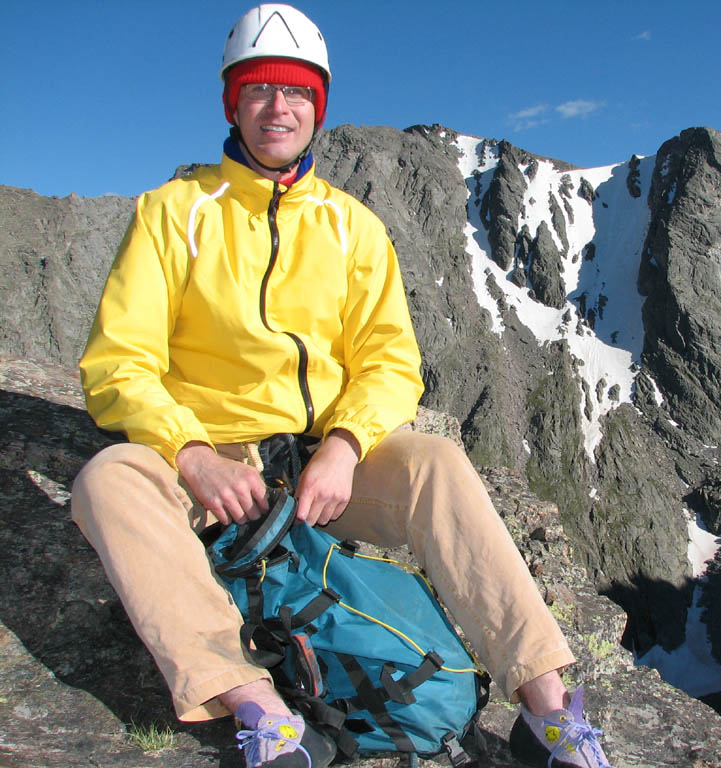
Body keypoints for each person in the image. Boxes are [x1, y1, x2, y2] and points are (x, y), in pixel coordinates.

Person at [70, 5, 612, 768]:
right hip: (211, 461)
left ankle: (550, 713)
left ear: (316, 107)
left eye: (295, 92)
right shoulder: (171, 214)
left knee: (436, 464)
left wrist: (347, 446)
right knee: (108, 480)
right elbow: (119, 361)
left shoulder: (352, 227)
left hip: (316, 463)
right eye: (257, 89)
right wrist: (191, 453)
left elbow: (390, 361)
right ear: (234, 103)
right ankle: (258, 709)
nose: (278, 107)